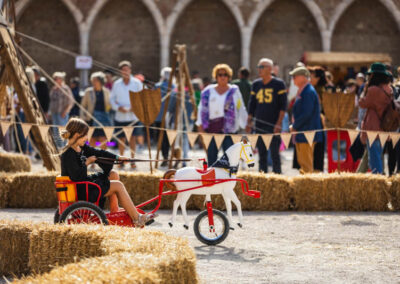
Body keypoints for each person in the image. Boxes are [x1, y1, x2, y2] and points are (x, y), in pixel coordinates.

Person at [60, 117, 156, 226]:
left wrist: (117, 157)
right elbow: (76, 176)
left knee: (113, 174)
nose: (87, 138)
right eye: (85, 135)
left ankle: (114, 209)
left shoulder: (80, 148)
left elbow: (98, 152)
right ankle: (137, 218)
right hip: (82, 189)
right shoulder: (68, 154)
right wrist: (87, 162)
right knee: (118, 186)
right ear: (77, 134)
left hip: (84, 184)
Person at [196, 63, 247, 165]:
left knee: (230, 159)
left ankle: (227, 180)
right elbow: (201, 108)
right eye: (220, 75)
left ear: (229, 77)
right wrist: (200, 126)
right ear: (216, 76)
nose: (223, 77)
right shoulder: (208, 91)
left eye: (225, 75)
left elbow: (240, 107)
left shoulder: (234, 91)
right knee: (211, 158)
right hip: (212, 129)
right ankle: (213, 180)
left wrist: (245, 124)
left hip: (230, 130)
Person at [247, 58, 287, 174]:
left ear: (269, 69)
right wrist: (249, 121)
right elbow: (252, 104)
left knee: (275, 154)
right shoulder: (256, 84)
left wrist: (279, 124)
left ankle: (278, 179)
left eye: (262, 67)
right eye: (258, 67)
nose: (259, 69)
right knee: (262, 155)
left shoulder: (278, 84)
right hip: (259, 125)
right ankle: (262, 179)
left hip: (273, 124)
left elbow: (283, 106)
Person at [358, 62, 392, 174]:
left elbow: (362, 103)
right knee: (378, 157)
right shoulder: (388, 89)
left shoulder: (373, 90)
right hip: (384, 127)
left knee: (374, 160)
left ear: (374, 75)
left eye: (370, 75)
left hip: (373, 129)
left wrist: (365, 90)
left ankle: (378, 184)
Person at [110, 61, 144, 169]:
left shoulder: (137, 83)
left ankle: (132, 160)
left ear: (130, 70)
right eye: (123, 70)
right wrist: (119, 108)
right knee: (121, 138)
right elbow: (112, 99)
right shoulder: (116, 84)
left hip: (133, 116)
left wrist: (134, 107)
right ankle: (121, 160)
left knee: (132, 138)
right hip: (120, 115)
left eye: (127, 70)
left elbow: (141, 97)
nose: (125, 72)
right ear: (120, 71)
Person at [289, 66, 323, 173]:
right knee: (303, 163)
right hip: (304, 132)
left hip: (307, 133)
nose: (293, 78)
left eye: (295, 76)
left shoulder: (308, 92)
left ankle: (309, 188)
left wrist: (295, 126)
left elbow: (306, 113)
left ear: (303, 77)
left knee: (306, 165)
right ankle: (305, 186)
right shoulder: (304, 91)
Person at [80, 71, 112, 150]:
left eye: (96, 80)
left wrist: (108, 110)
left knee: (103, 139)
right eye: (92, 80)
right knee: (91, 140)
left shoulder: (107, 92)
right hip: (91, 119)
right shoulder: (88, 91)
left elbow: (109, 105)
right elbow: (83, 106)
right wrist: (82, 118)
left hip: (104, 119)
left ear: (101, 81)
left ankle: (103, 159)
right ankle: (93, 160)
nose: (94, 82)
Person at [49, 72, 74, 148]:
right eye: (55, 78)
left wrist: (65, 111)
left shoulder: (65, 88)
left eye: (57, 78)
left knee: (63, 130)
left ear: (61, 79)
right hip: (54, 113)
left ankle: (65, 146)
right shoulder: (53, 89)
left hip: (62, 113)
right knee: (55, 130)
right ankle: (58, 146)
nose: (55, 80)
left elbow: (71, 101)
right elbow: (51, 101)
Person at [309, 66, 327, 172]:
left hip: (318, 121)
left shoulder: (319, 90)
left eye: (313, 76)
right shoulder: (313, 89)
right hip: (316, 121)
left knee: (317, 151)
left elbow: (320, 108)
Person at [155, 67, 174, 166]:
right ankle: (166, 157)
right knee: (165, 139)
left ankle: (166, 157)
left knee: (164, 139)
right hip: (162, 117)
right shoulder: (158, 86)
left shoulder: (174, 87)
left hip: (169, 117)